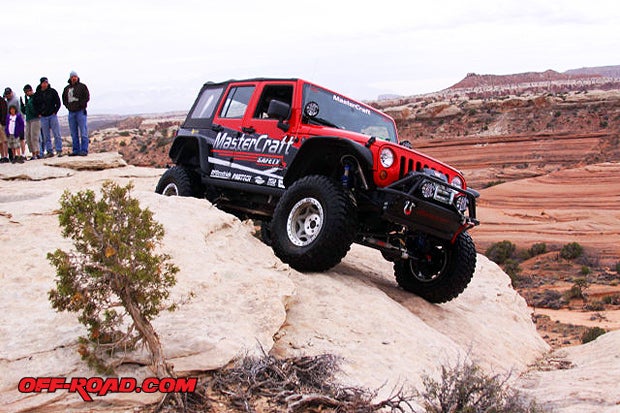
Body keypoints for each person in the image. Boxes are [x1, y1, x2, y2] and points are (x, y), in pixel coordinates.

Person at [62, 71, 90, 156]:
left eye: (75, 76)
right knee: (73, 133)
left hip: (80, 111)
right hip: (71, 112)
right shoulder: (67, 88)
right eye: (72, 77)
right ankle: (76, 150)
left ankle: (84, 150)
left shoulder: (82, 86)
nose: (74, 78)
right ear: (70, 78)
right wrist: (68, 106)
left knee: (83, 131)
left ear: (77, 77)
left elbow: (87, 97)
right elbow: (64, 99)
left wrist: (81, 105)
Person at [33, 77, 63, 157]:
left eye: (46, 82)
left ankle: (59, 150)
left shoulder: (52, 91)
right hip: (43, 117)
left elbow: (58, 102)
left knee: (56, 134)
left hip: (52, 115)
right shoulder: (37, 94)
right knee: (46, 136)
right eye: (43, 83)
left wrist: (55, 111)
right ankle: (49, 151)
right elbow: (34, 105)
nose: (45, 84)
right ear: (41, 83)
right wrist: (38, 113)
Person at [21, 84, 41, 160]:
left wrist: (38, 113)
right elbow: (26, 111)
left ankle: (37, 153)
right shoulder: (28, 99)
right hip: (29, 119)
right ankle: (33, 152)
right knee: (28, 137)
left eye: (27, 91)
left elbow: (37, 107)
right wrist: (23, 107)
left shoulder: (35, 97)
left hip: (35, 118)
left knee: (34, 136)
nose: (26, 93)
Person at [0, 97, 7, 162]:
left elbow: (4, 112)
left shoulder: (2, 100)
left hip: (2, 124)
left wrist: (2, 121)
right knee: (0, 142)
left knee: (4, 141)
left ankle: (5, 156)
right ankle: (2, 156)